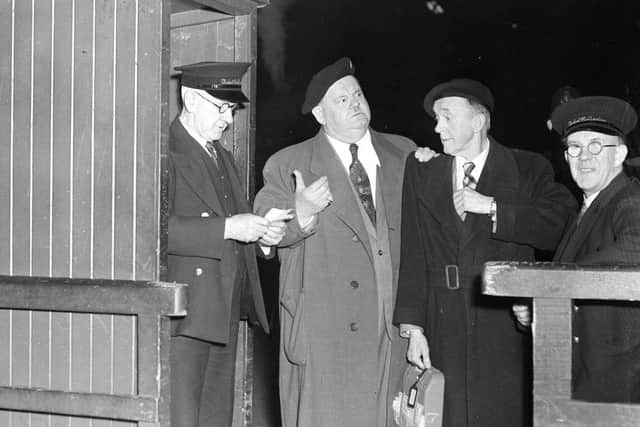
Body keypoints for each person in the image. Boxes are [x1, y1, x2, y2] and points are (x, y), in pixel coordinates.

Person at [393, 78, 576, 426]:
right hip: (441, 325)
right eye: (436, 118)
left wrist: (494, 208)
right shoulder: (421, 169)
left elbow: (560, 225)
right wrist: (413, 327)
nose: (436, 127)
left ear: (477, 122)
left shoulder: (528, 168)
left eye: (446, 117)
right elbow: (413, 250)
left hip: (504, 325)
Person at [253, 57, 419, 427]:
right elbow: (264, 239)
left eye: (357, 93)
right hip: (326, 334)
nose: (356, 103)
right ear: (319, 113)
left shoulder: (406, 153)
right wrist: (301, 212)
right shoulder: (288, 163)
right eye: (341, 99)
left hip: (395, 330)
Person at [167, 62, 290, 427]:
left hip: (223, 313)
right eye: (220, 107)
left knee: (217, 419)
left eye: (232, 110)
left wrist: (263, 238)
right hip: (185, 317)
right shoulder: (164, 151)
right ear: (190, 99)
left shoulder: (222, 157)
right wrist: (228, 228)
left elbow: (237, 228)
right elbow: (154, 232)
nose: (228, 120)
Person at [516, 95, 640, 403]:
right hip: (585, 377)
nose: (584, 156)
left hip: (617, 385)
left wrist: (548, 286)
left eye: (596, 145)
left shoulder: (628, 202)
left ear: (620, 154)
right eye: (574, 147)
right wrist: (541, 308)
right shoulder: (585, 209)